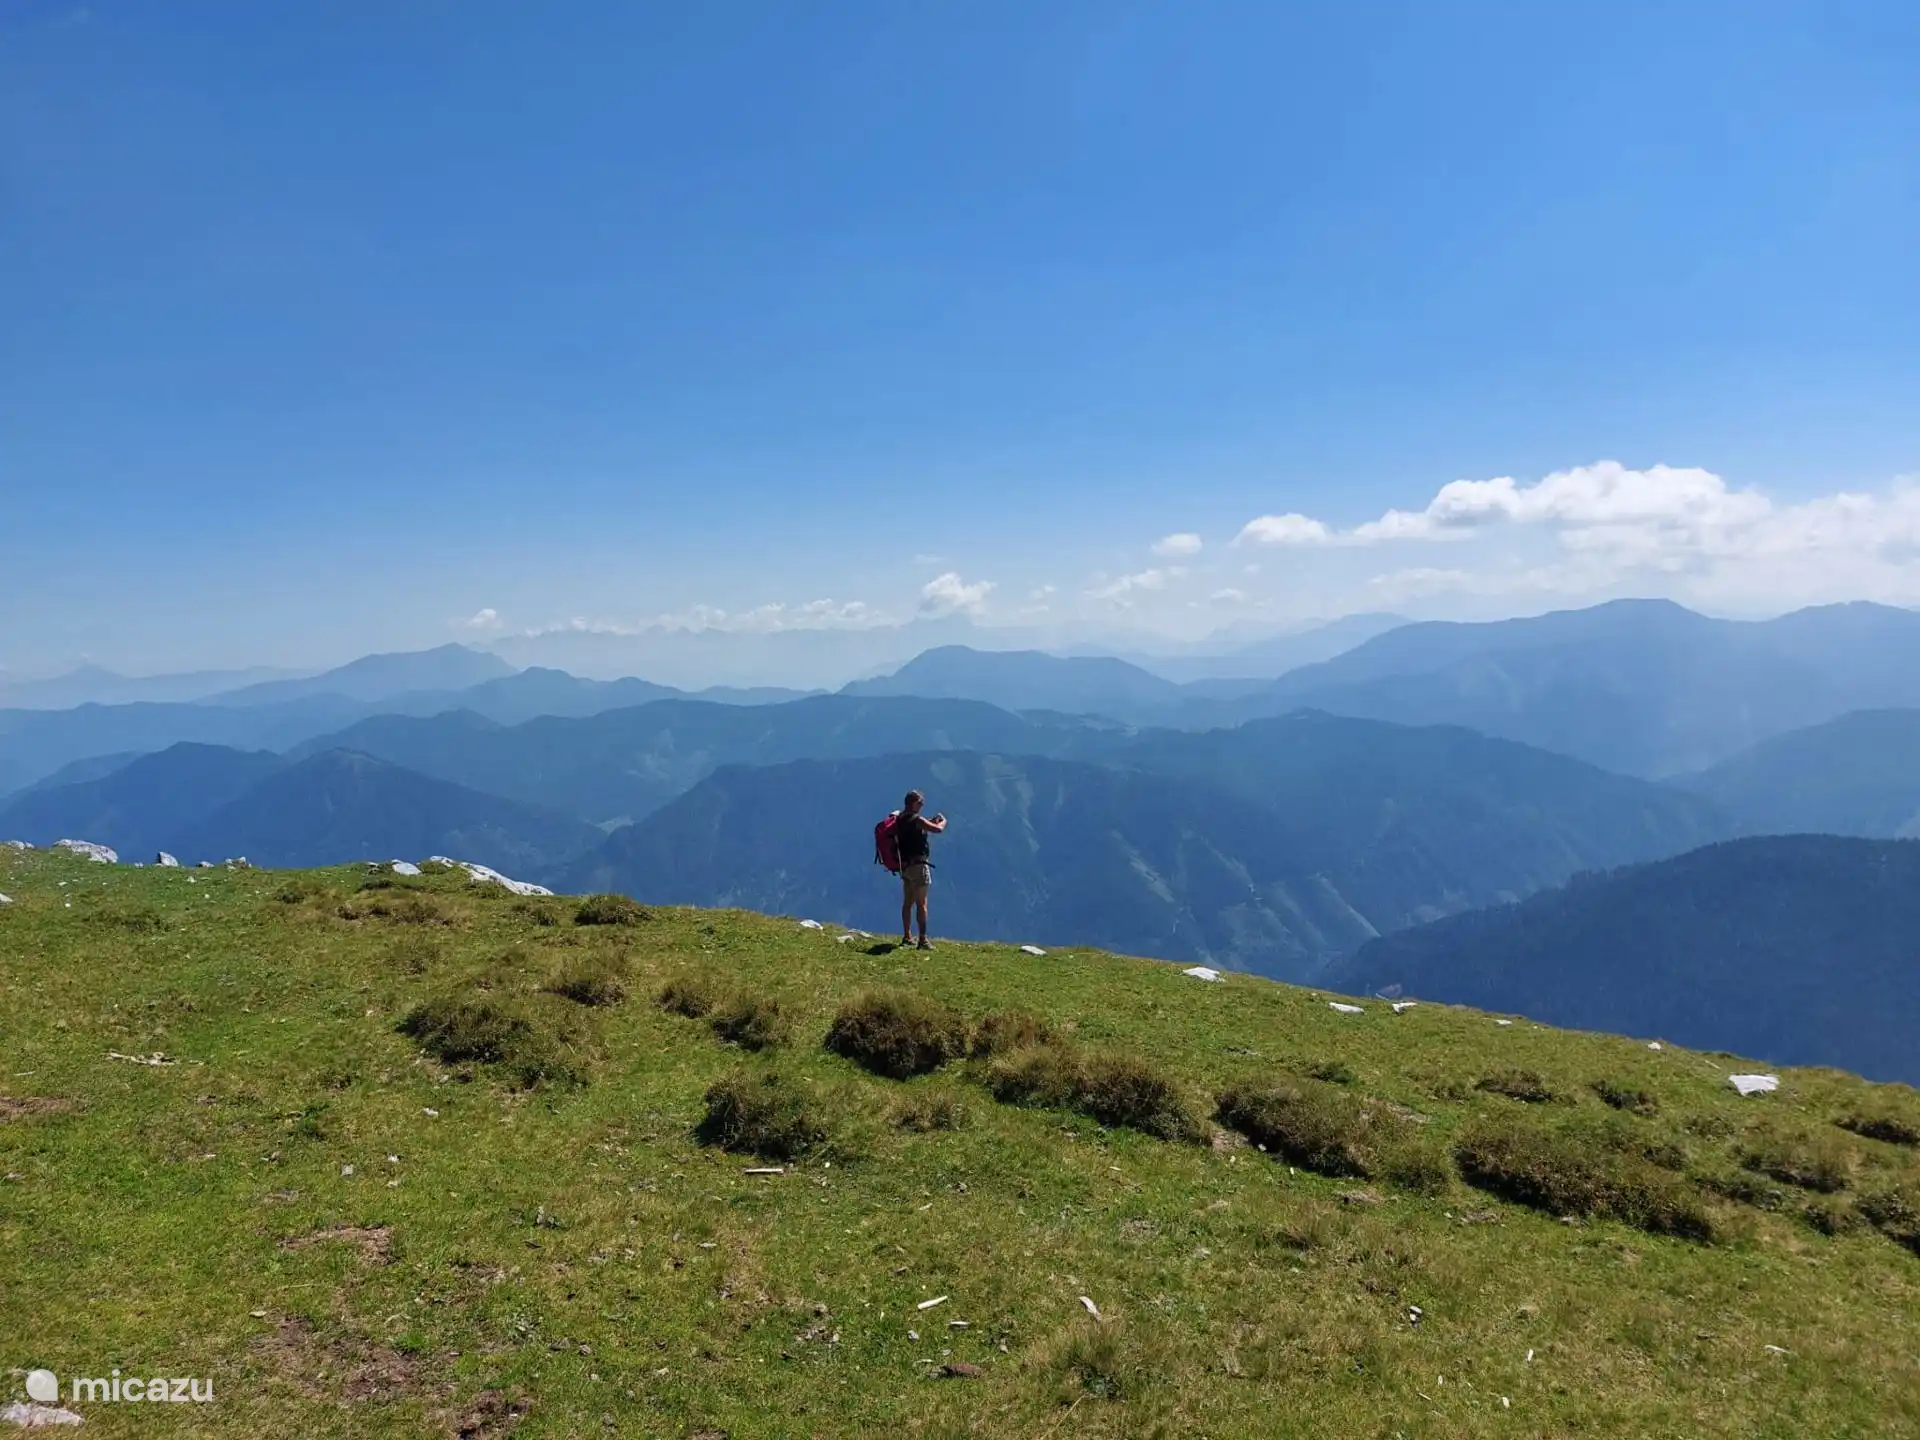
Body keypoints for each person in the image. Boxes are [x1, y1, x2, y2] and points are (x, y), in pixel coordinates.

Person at [896, 789, 946, 950]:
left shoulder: (901, 818)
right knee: (921, 903)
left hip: (905, 867)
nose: (922, 805)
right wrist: (943, 821)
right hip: (919, 866)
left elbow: (915, 832)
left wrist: (929, 821)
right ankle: (923, 940)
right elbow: (938, 830)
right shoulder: (917, 819)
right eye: (920, 802)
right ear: (913, 803)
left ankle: (906, 936)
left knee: (907, 903)